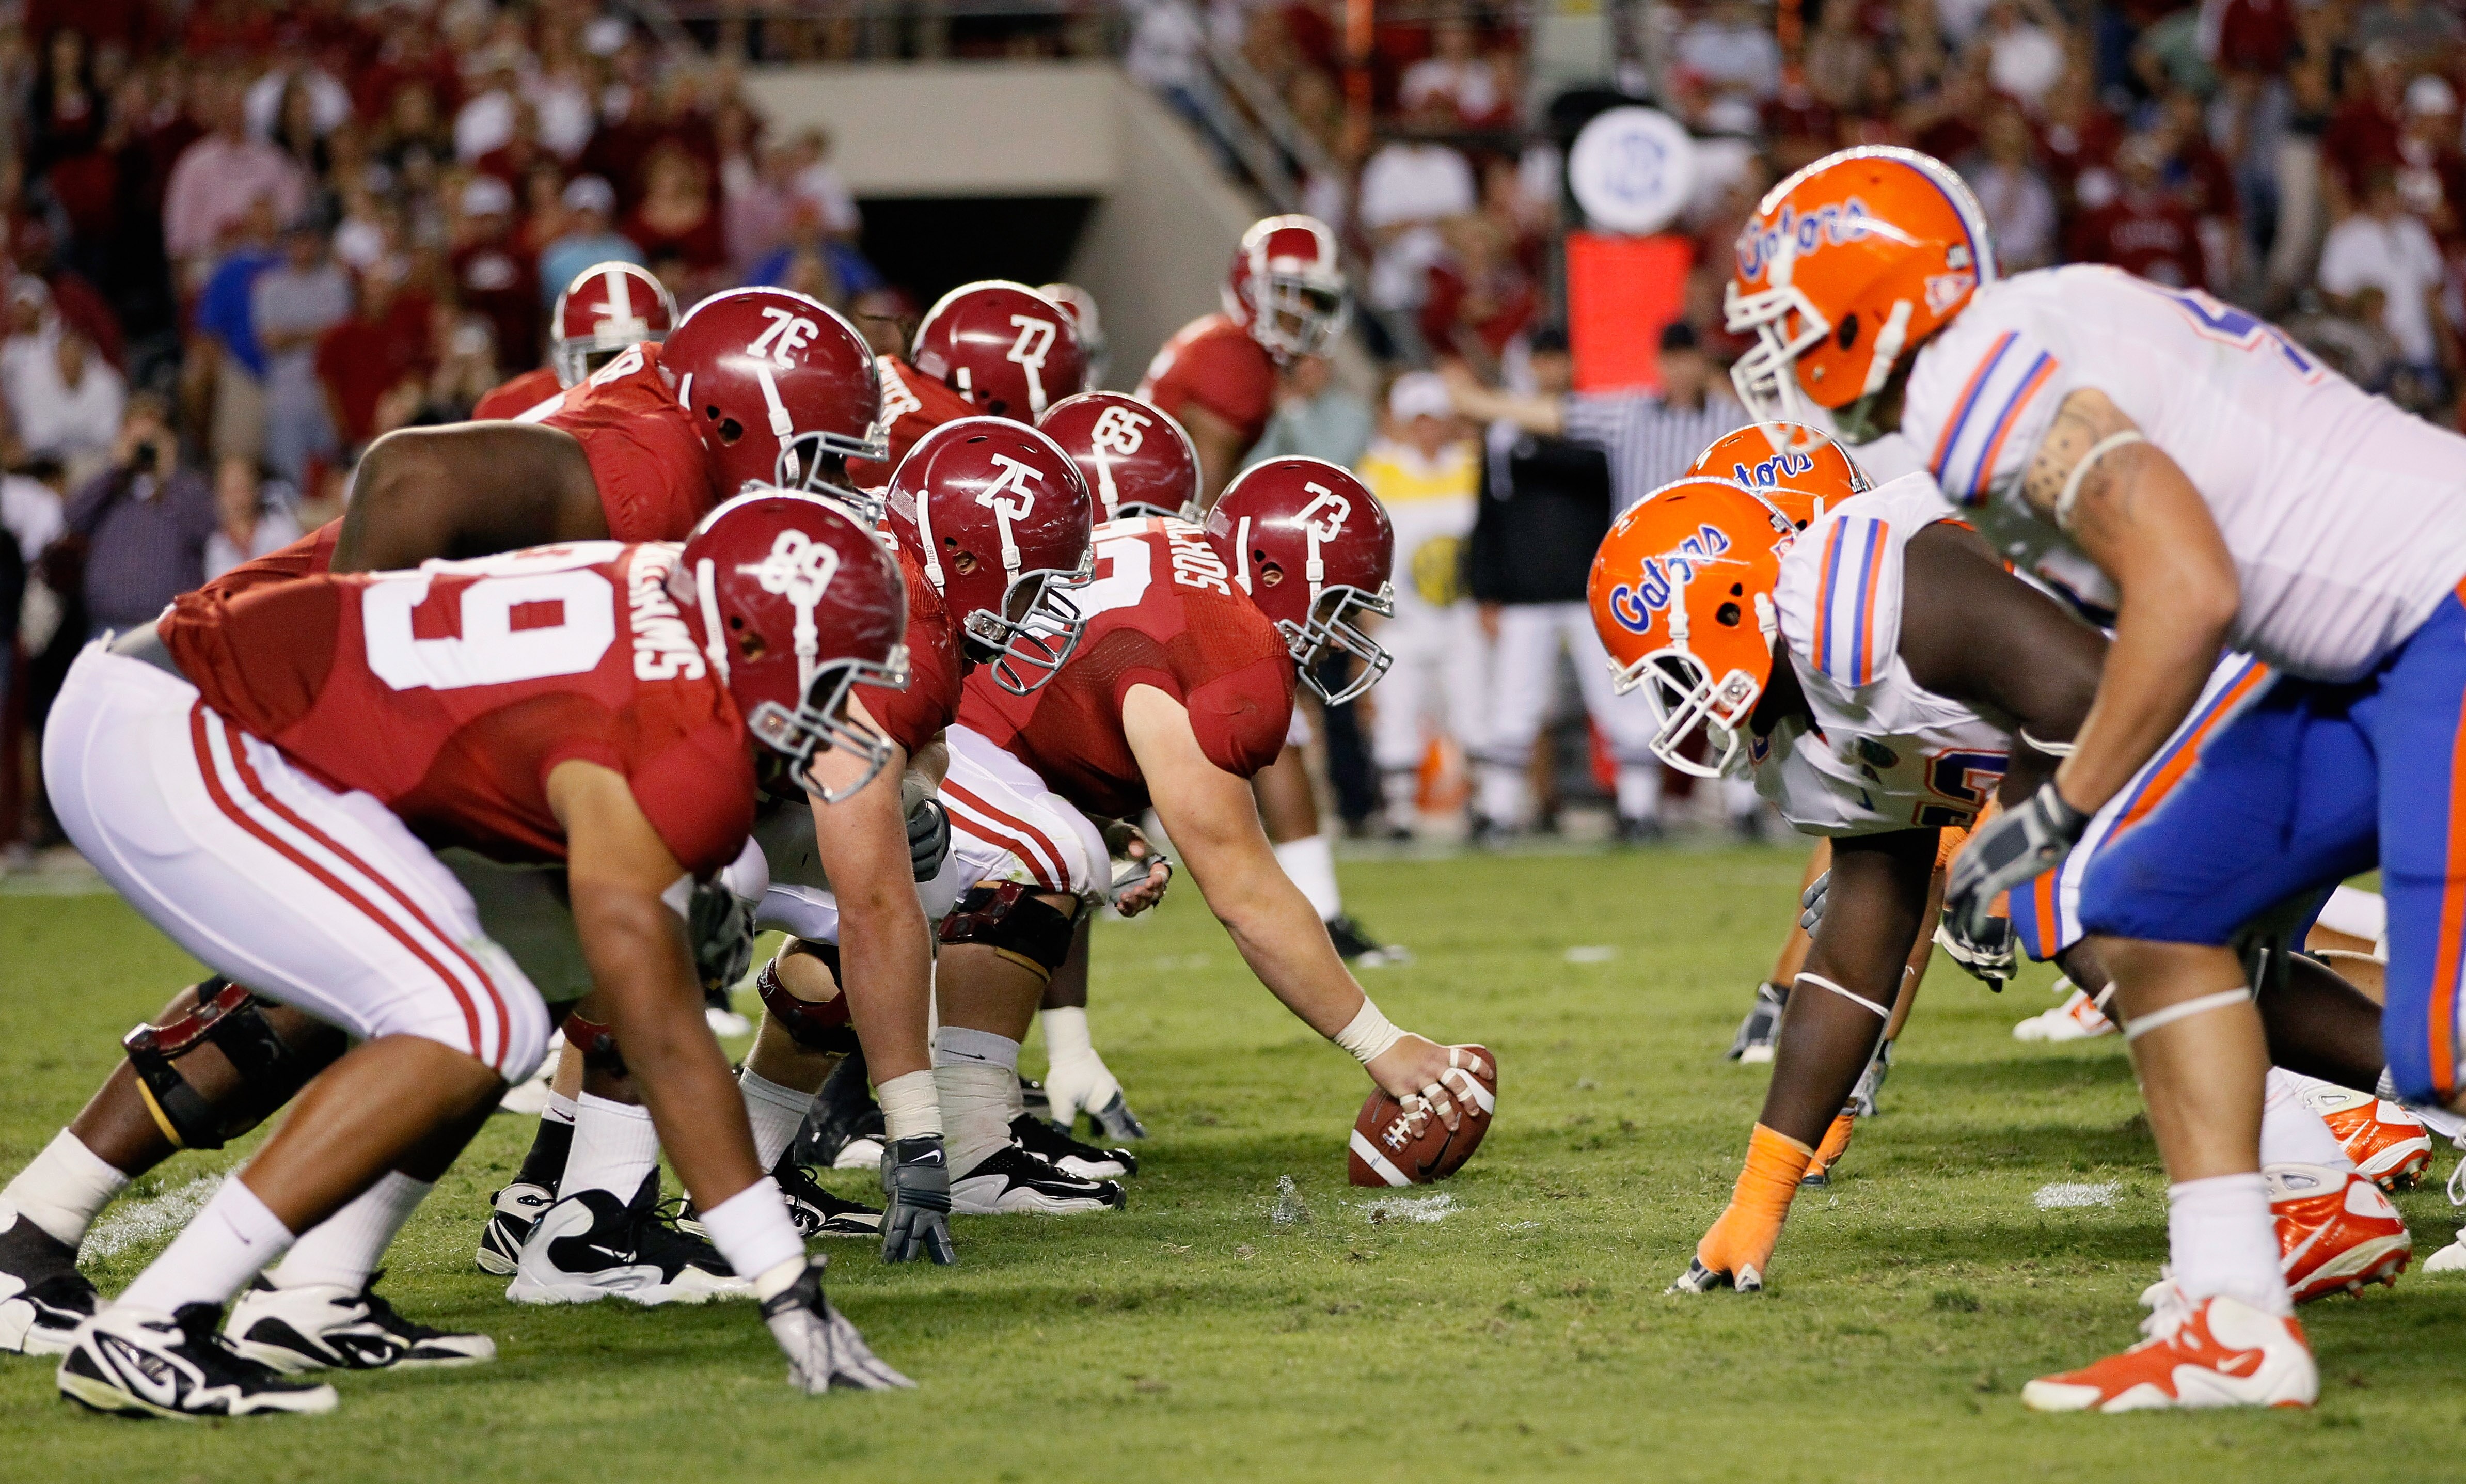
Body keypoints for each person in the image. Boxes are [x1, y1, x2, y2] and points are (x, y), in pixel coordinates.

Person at [0, 289, 889, 1360]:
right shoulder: (656, 464)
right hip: (234, 703)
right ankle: (48, 1246)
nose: (839, 486)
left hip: (348, 714)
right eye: (827, 455)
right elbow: (410, 474)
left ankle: (320, 1287)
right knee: (354, 1005)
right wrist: (361, 683)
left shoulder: (686, 498)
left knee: (518, 978)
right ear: (745, 424)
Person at [1727, 144, 2466, 1410]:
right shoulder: (2026, 331)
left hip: (2433, 608)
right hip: (2355, 646)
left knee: (2435, 1037)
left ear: (1879, 298)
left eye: (1792, 325)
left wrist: (2063, 804)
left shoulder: (1974, 384)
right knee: (2137, 905)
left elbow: (2187, 586)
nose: (1782, 362)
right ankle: (2235, 1314)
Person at [953, 457, 1487, 1165]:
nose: (1335, 634)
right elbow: (1243, 892)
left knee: (1061, 849)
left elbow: (1084, 682)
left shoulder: (1173, 540)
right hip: (943, 748)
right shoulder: (1236, 654)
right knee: (1049, 854)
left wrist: (1105, 825)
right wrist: (1381, 1042)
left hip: (952, 731)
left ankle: (900, 1126)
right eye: (1332, 606)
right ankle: (970, 1146)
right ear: (1272, 574)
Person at [1141, 217, 1394, 960]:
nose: (1304, 317)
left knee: (1272, 728)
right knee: (1280, 722)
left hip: (1148, 552)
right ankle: (1322, 913)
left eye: (1313, 300)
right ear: (1255, 290)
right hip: (1161, 558)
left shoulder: (1224, 347)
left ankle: (1318, 909)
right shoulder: (1235, 362)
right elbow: (1201, 497)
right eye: (1291, 298)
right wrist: (1219, 592)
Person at [1463, 327, 1663, 839]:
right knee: (1514, 703)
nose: (1550, 369)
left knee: (1621, 698)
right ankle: (1499, 811)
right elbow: (1487, 517)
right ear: (1530, 364)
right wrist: (1486, 589)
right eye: (1542, 359)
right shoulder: (1505, 436)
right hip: (1527, 593)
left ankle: (1640, 808)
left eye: (1558, 359)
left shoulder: (1597, 423)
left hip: (1594, 588)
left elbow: (1599, 471)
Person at [1354, 372, 1485, 838]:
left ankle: (1486, 805)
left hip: (1460, 613)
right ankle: (1400, 813)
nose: (1428, 430)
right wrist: (1366, 605)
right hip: (1401, 617)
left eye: (1436, 420)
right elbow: (1362, 546)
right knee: (1397, 713)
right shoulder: (1377, 470)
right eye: (1420, 420)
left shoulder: (1471, 466)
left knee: (1474, 710)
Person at [53, 394, 213, 642]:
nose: (143, 447)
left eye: (151, 437)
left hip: (167, 632)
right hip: (105, 629)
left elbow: (204, 528)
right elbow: (72, 517)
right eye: (135, 437)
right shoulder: (110, 488)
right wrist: (116, 468)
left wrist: (168, 473)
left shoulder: (187, 488)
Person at [471, 261, 678, 422]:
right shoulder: (514, 409)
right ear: (565, 362)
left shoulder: (695, 403)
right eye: (602, 361)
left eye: (639, 361)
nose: (622, 379)